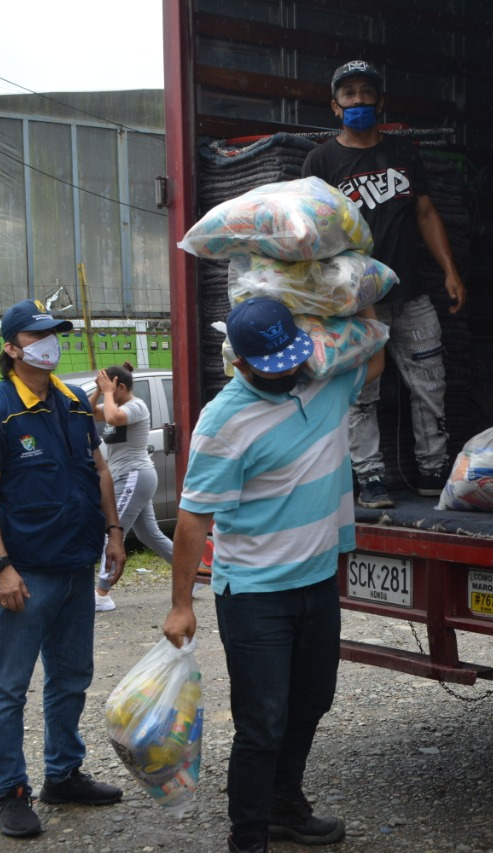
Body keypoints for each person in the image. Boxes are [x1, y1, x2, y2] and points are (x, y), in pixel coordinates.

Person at [163, 298, 384, 853]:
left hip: (315, 583)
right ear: (239, 363)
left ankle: (286, 806)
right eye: (272, 365)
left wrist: (353, 307)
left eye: (292, 357)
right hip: (254, 593)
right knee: (262, 722)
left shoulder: (325, 382)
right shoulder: (223, 422)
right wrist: (180, 604)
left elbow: (376, 355)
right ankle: (249, 835)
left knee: (312, 701)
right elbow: (193, 519)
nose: (286, 371)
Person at [0, 299, 126, 839]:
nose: (51, 342)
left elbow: (100, 469)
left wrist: (115, 532)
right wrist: (1, 567)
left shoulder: (75, 402)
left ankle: (63, 773)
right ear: (12, 348)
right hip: (27, 574)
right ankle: (9, 792)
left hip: (78, 567)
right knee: (9, 687)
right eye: (38, 335)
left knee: (71, 677)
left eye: (54, 333)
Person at [300, 59, 467, 510]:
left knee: (430, 383)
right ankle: (370, 477)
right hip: (355, 302)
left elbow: (426, 213)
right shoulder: (320, 160)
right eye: (349, 94)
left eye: (365, 92)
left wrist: (450, 271)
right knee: (360, 392)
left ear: (380, 101)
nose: (358, 101)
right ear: (336, 107)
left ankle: (434, 468)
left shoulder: (403, 153)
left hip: (411, 293)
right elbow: (315, 230)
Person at [88, 361, 174, 612]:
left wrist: (107, 392)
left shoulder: (136, 406)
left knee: (114, 531)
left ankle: (102, 593)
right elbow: (91, 412)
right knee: (150, 534)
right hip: (128, 477)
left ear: (121, 388)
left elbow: (113, 416)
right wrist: (99, 389)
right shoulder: (117, 403)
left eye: (110, 389)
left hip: (134, 475)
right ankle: (194, 575)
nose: (106, 394)